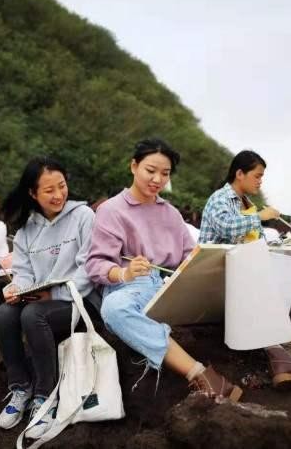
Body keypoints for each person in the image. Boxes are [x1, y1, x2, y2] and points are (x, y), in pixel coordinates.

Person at [86, 139, 242, 402]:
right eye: (150, 170)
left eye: (165, 173)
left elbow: (189, 256)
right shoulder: (111, 210)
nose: (157, 179)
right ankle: (201, 374)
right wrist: (124, 273)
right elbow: (96, 264)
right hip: (129, 287)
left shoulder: (170, 213)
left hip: (165, 284)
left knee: (233, 286)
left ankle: (276, 355)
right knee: (113, 309)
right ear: (133, 166)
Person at [199, 150, 291, 387]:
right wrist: (260, 216)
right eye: (257, 176)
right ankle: (281, 355)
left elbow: (253, 240)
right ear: (240, 174)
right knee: (262, 267)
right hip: (221, 270)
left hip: (245, 263)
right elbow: (227, 227)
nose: (260, 181)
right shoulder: (221, 198)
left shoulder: (245, 203)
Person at [0, 157, 97, 440]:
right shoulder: (26, 231)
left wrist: (55, 294)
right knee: (4, 314)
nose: (58, 195)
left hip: (80, 301)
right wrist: (16, 288)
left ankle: (46, 396)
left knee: (32, 315)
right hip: (42, 301)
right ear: (32, 193)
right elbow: (24, 273)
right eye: (49, 190)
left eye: (62, 186)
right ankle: (20, 387)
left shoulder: (83, 216)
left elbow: (89, 268)